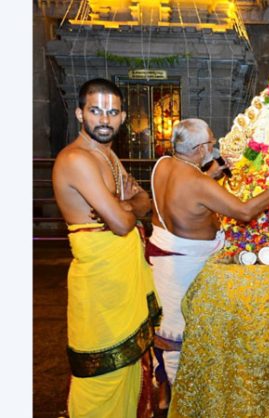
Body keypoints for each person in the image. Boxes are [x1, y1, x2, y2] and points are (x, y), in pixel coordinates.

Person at [146, 118, 269, 389]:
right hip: (186, 264)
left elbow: (185, 194)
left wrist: (210, 177)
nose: (214, 147)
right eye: (211, 143)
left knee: (168, 327)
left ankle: (168, 392)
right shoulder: (197, 181)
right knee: (177, 337)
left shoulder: (163, 165)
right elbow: (244, 211)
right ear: (201, 148)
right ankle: (181, 399)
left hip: (162, 256)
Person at [52, 78, 159, 417]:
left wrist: (122, 204)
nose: (104, 119)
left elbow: (145, 200)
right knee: (101, 378)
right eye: (95, 111)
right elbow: (123, 223)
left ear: (123, 117)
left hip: (120, 282)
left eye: (112, 112)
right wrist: (124, 206)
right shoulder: (77, 159)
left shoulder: (107, 156)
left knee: (127, 372)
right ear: (79, 113)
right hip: (100, 286)